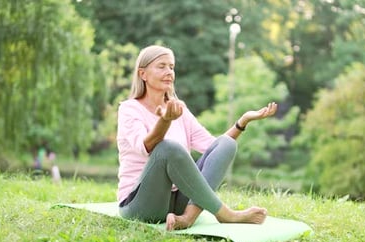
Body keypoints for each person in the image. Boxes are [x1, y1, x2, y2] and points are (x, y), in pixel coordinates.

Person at [117, 45, 278, 231]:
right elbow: (146, 147)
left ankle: (187, 218)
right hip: (140, 204)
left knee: (226, 144)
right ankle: (226, 214)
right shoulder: (129, 109)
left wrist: (242, 122)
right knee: (168, 148)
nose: (169, 72)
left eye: (171, 67)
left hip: (177, 204)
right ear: (143, 74)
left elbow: (214, 148)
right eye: (161, 66)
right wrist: (165, 121)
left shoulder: (179, 111)